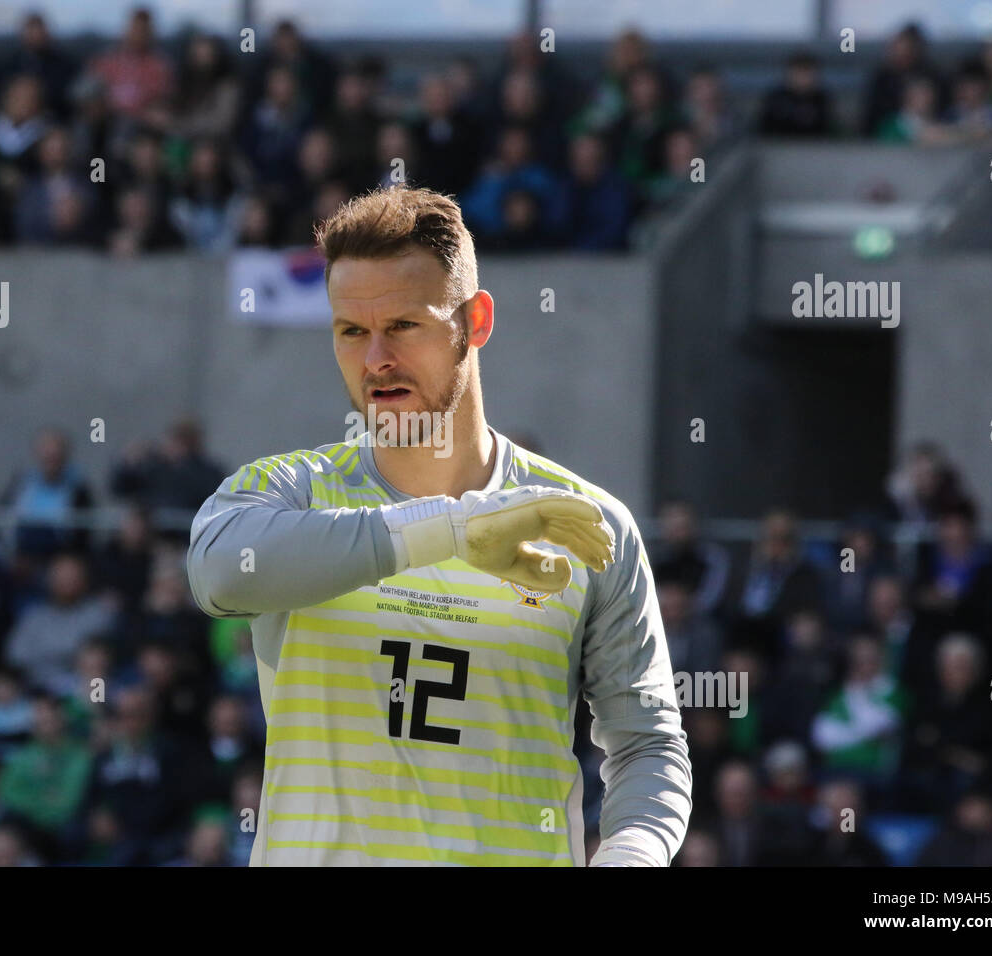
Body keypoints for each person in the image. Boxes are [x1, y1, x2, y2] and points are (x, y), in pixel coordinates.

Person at [187, 185, 691, 866]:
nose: (374, 362)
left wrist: (632, 850)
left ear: (475, 320)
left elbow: (647, 745)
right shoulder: (291, 492)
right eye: (351, 332)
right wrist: (452, 530)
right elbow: (216, 574)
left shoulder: (588, 523)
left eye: (403, 326)